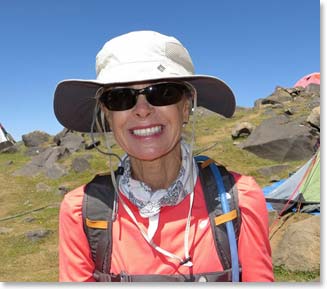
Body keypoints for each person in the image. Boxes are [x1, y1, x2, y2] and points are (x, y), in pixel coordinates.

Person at [54, 30, 274, 282]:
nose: (142, 110)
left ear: (185, 107)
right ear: (107, 114)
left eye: (162, 93)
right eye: (120, 97)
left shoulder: (241, 199)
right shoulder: (80, 211)